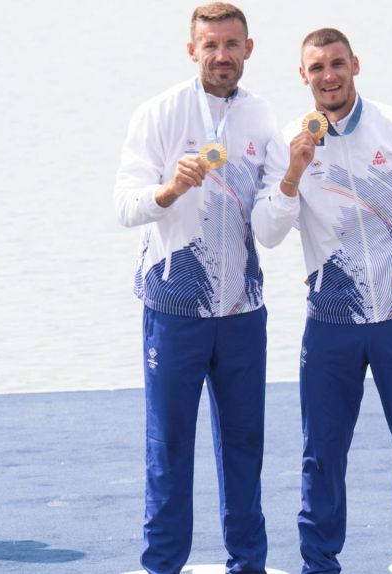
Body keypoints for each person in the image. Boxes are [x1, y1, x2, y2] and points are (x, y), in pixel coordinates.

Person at [252, 28, 392, 574]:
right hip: (332, 322)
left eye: (337, 64)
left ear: (355, 65)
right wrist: (293, 173)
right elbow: (268, 234)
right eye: (317, 68)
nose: (328, 76)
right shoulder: (286, 144)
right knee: (321, 454)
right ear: (302, 76)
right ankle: (319, 564)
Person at [113, 3, 281, 572]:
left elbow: (272, 219)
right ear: (192, 51)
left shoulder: (263, 116)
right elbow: (124, 205)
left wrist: (293, 182)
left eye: (231, 44)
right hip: (175, 308)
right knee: (169, 449)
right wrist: (168, 190)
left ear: (248, 49)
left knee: (245, 447)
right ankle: (162, 566)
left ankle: (248, 564)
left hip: (242, 311)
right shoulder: (158, 113)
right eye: (210, 45)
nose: (221, 55)